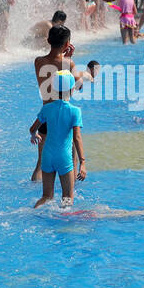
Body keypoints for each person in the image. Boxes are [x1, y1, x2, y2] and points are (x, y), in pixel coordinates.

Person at [29, 69, 85, 207]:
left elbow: (32, 129)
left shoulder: (47, 108)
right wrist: (83, 162)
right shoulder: (75, 111)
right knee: (67, 199)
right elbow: (77, 138)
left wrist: (34, 135)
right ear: (72, 89)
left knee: (47, 196)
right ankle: (64, 226)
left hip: (48, 156)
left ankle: (33, 211)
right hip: (64, 157)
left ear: (54, 89)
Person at [31, 23, 75, 180]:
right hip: (63, 115)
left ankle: (35, 190)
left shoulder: (38, 62)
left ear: (48, 40)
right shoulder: (68, 63)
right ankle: (71, 191)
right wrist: (69, 57)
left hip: (45, 115)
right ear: (67, 44)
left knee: (41, 163)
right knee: (71, 156)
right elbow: (71, 88)